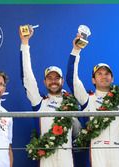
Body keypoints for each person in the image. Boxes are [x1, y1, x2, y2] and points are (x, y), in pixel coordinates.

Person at [66, 34, 119, 167]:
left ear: (112, 78)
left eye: (107, 74)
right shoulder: (87, 98)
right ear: (93, 79)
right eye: (99, 74)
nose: (104, 77)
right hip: (97, 149)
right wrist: (76, 50)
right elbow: (71, 79)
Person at [19, 27, 77, 167]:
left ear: (62, 81)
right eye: (49, 78)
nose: (53, 81)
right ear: (44, 82)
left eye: (57, 78)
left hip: (66, 156)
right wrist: (25, 43)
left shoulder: (71, 103)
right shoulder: (39, 102)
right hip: (46, 156)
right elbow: (27, 77)